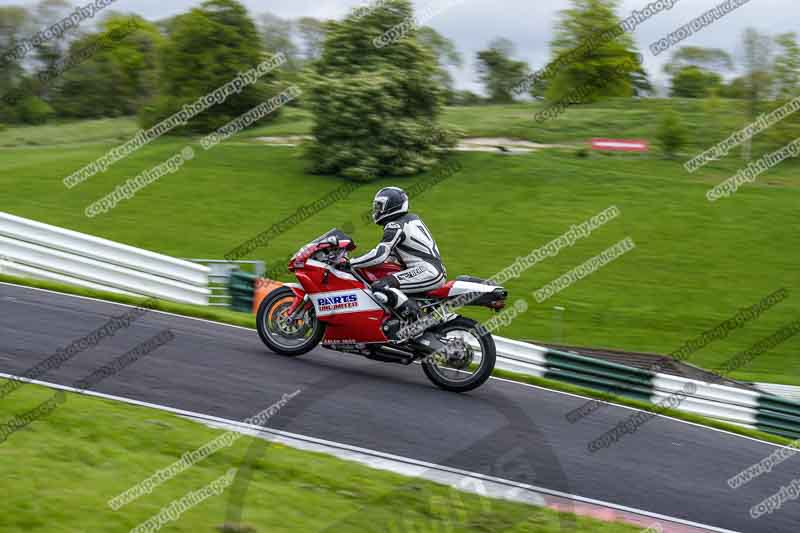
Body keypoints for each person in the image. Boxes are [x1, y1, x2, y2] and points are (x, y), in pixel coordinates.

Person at [349, 187, 446, 320]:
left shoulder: (395, 225)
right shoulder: (409, 219)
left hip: (426, 271)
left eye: (380, 206)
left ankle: (418, 320)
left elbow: (379, 255)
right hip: (430, 270)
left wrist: (351, 263)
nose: (377, 210)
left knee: (381, 286)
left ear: (391, 206)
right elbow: (393, 255)